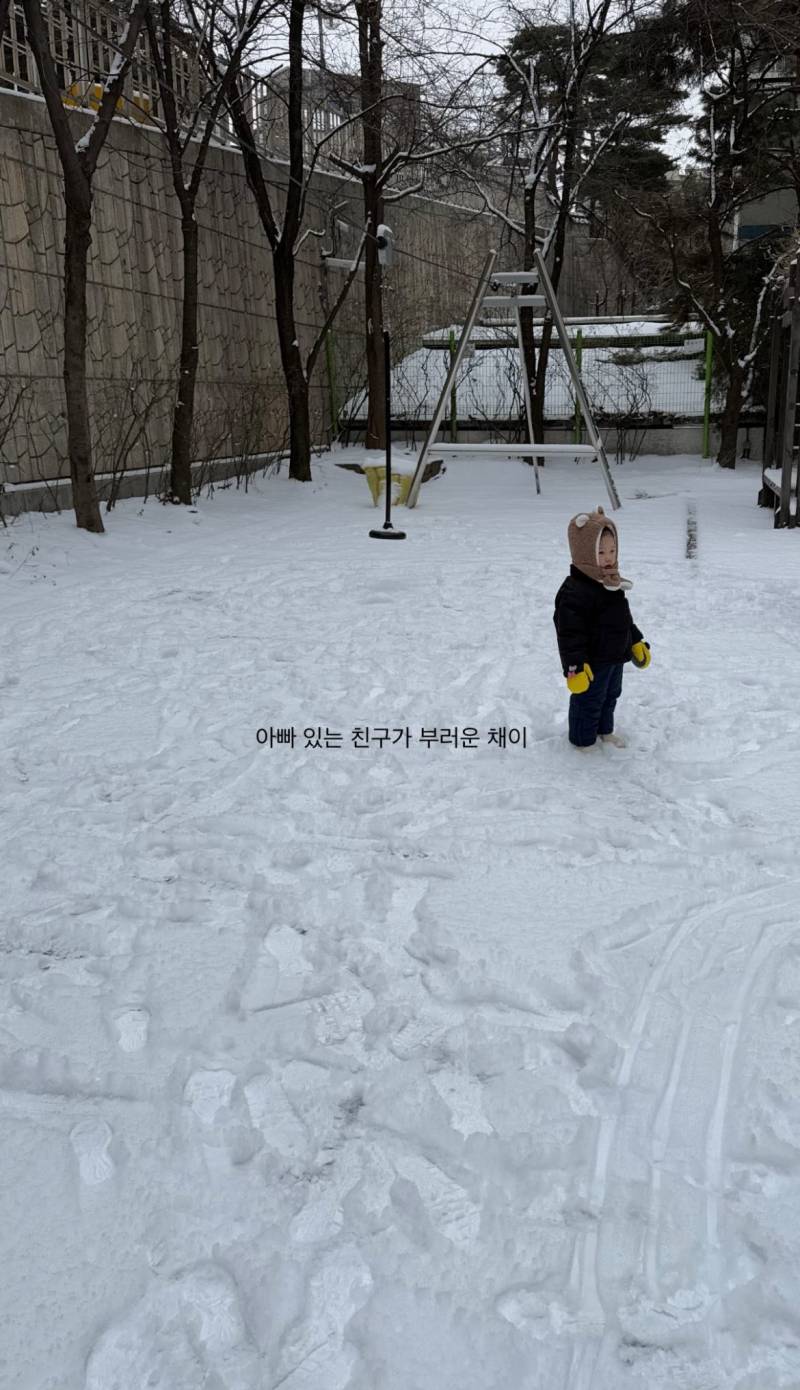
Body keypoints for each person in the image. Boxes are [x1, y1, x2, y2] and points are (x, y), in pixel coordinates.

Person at [553, 506, 650, 749]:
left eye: (612, 550)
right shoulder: (575, 591)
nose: (608, 557)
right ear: (584, 551)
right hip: (592, 662)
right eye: (600, 551)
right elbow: (569, 634)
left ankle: (605, 731)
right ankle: (582, 740)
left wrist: (636, 641)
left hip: (615, 656)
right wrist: (575, 666)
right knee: (588, 699)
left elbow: (623, 619)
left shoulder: (611, 582)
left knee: (610, 696)